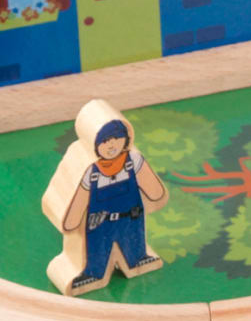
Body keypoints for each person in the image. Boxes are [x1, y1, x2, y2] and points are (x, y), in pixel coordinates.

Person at [41, 101, 168, 294]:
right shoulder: (90, 170)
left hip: (131, 217)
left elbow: (155, 191)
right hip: (99, 222)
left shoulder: (133, 161)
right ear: (95, 143)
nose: (112, 145)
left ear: (126, 138)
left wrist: (156, 195)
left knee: (133, 242)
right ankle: (92, 272)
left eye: (117, 138)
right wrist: (70, 221)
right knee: (96, 252)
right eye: (105, 141)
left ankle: (137, 259)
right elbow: (77, 197)